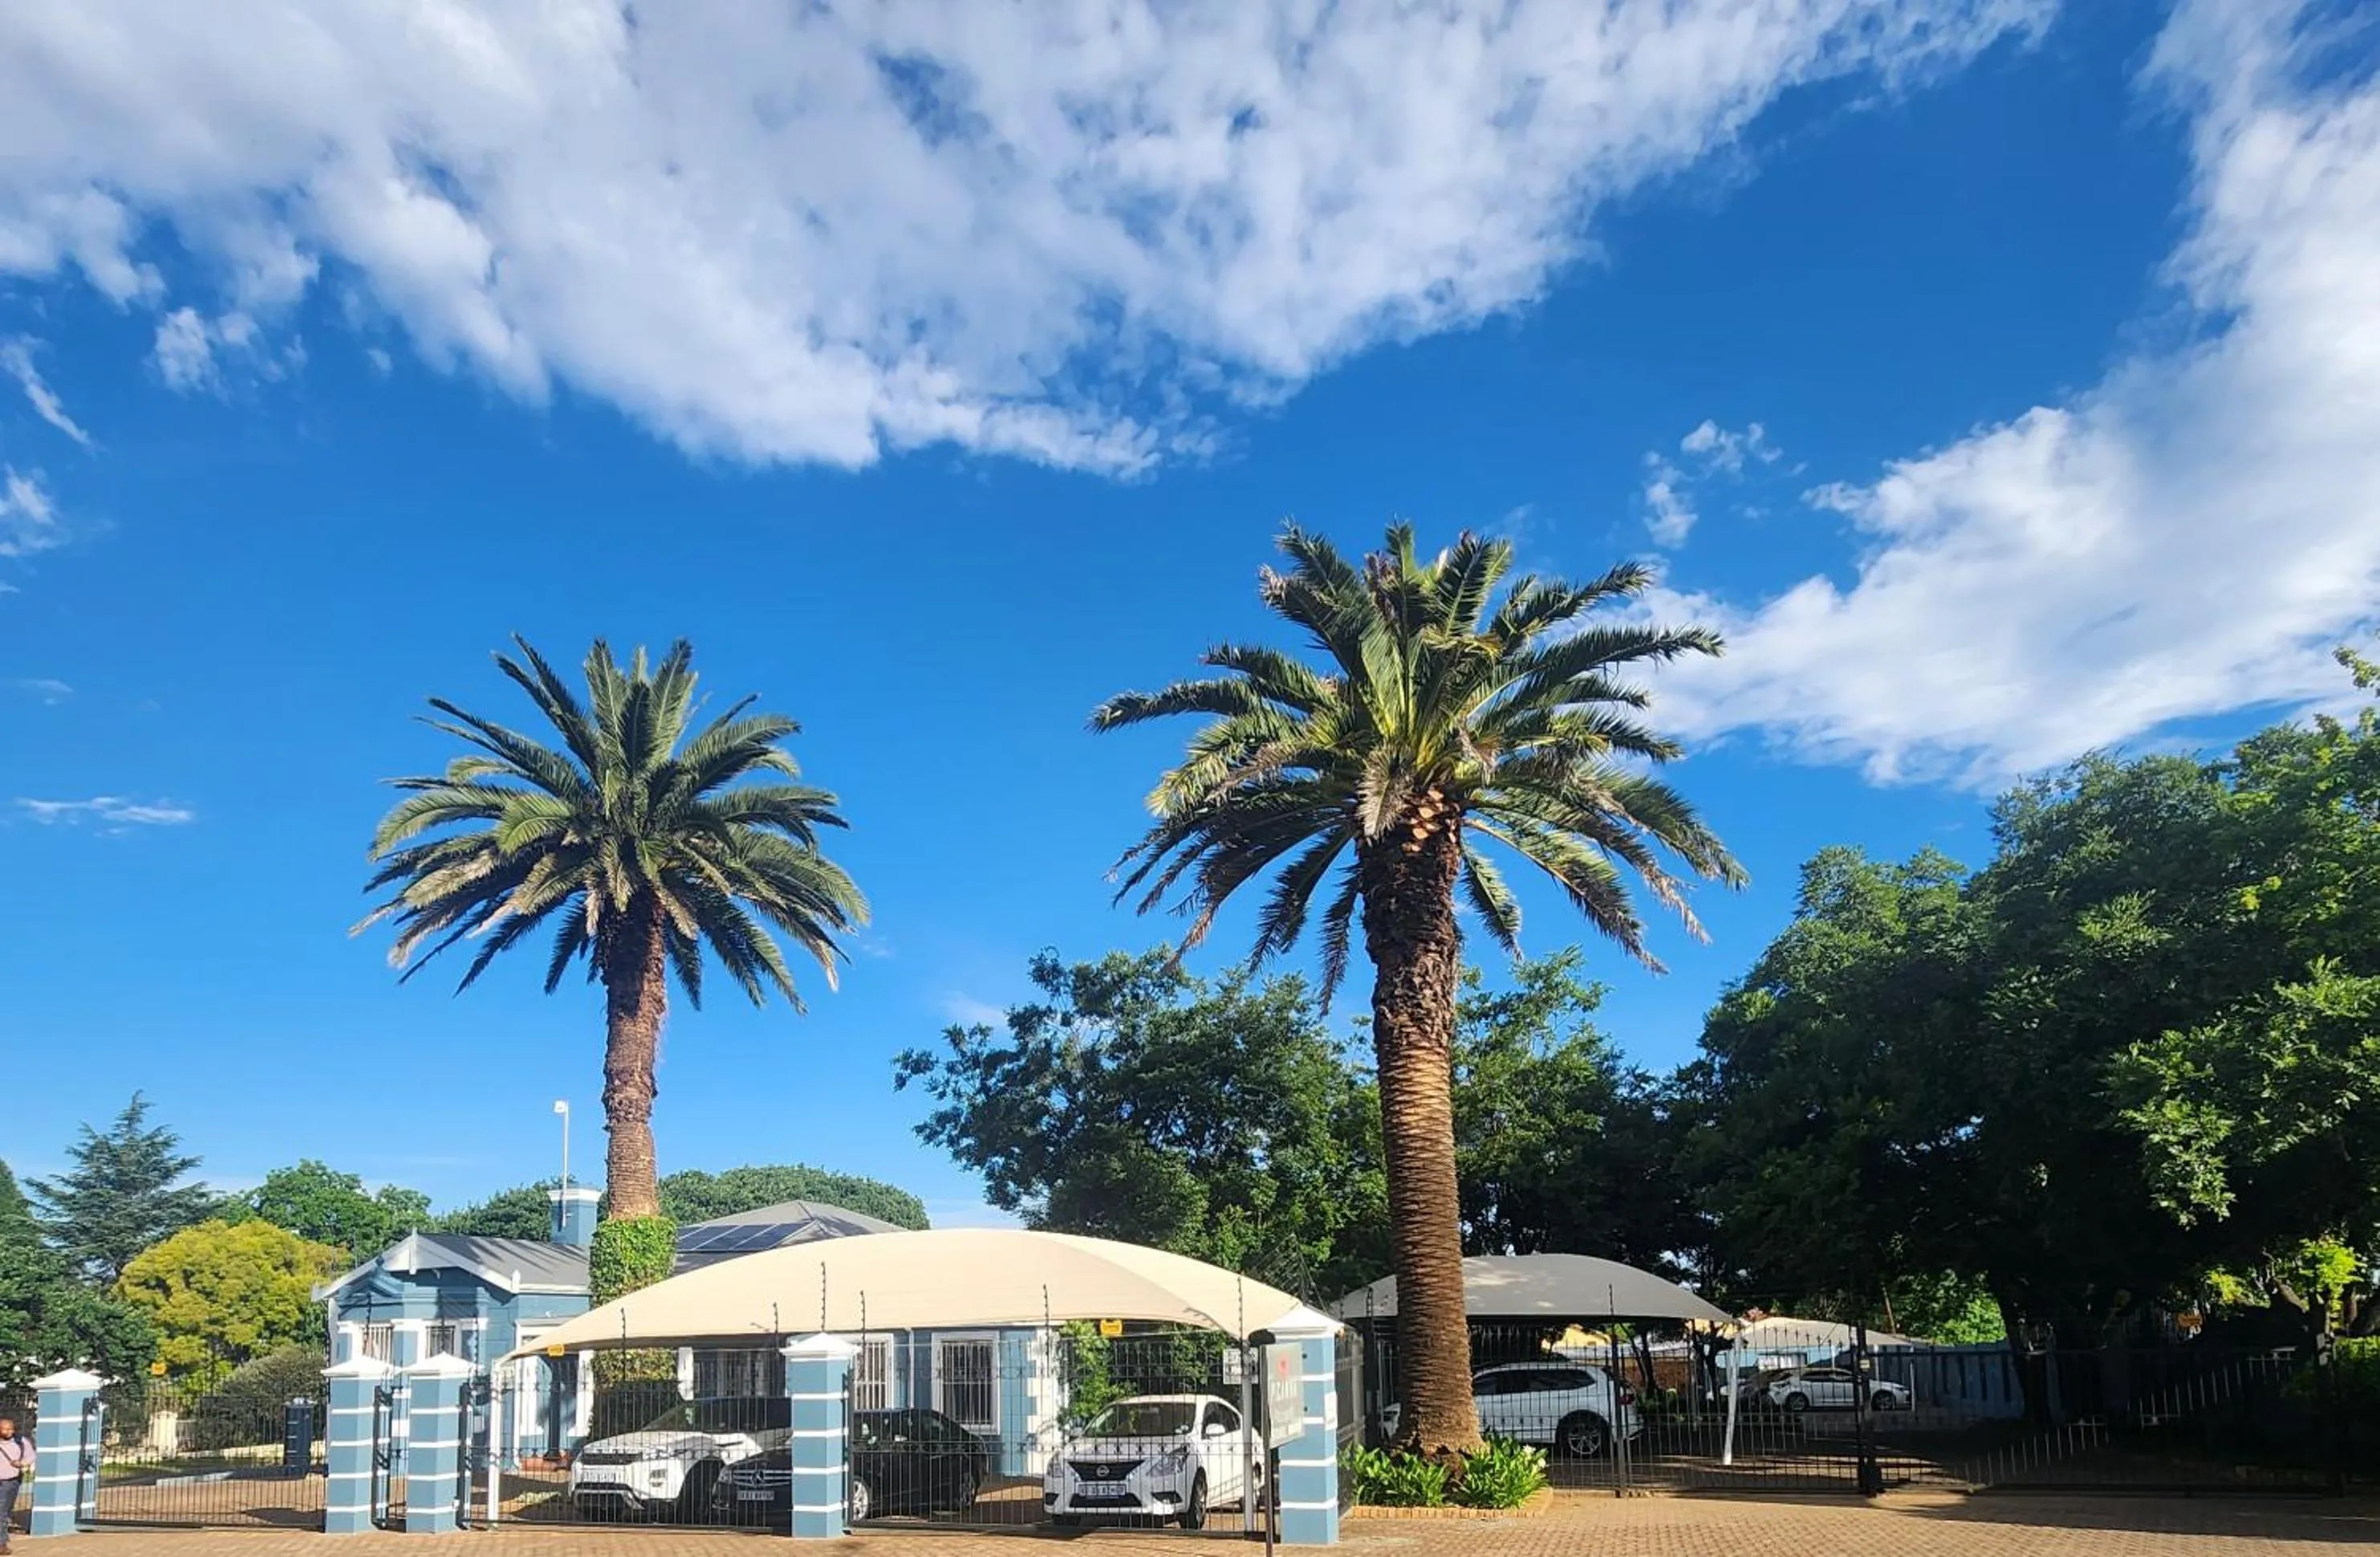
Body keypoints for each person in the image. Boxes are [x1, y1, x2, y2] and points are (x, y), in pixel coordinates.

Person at [0, 1414, 29, 1552]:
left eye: (11, 1429)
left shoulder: (20, 1441)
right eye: (6, 1429)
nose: (9, 1432)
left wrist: (21, 1463)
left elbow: (31, 1456)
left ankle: (2, 1543)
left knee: (3, 1512)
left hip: (10, 1482)